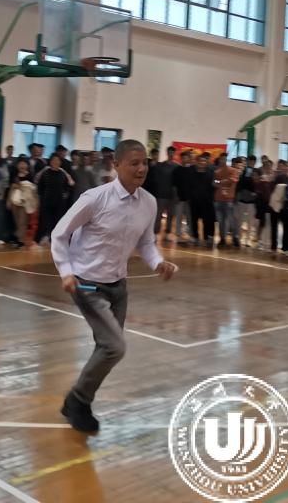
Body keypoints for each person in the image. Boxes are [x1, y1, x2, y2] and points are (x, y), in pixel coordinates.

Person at [51, 139, 178, 433]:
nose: (141, 168)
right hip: (86, 285)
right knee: (115, 347)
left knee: (106, 348)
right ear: (116, 165)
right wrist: (66, 272)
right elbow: (60, 233)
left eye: (145, 163)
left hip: (119, 286)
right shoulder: (95, 198)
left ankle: (79, 401)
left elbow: (146, 243)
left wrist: (158, 262)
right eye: (134, 163)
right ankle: (78, 401)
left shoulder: (148, 202)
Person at [36, 154, 74, 244]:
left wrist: (66, 194)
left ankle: (57, 238)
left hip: (60, 202)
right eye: (53, 160)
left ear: (60, 162)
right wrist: (42, 196)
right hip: (47, 201)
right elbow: (39, 186)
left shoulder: (63, 173)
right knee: (47, 220)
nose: (55, 162)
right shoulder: (45, 172)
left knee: (59, 220)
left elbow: (70, 185)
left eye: (57, 160)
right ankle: (48, 237)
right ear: (50, 161)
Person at [8, 158, 38, 247]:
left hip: (26, 202)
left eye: (24, 163)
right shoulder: (14, 175)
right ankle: (20, 238)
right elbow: (11, 188)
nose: (22, 165)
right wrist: (9, 201)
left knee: (23, 221)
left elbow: (34, 190)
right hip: (15, 201)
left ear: (27, 165)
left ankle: (20, 240)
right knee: (17, 220)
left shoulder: (30, 176)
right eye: (20, 163)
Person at [187, 152, 216, 248]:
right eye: (200, 161)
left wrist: (216, 184)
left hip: (206, 202)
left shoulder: (210, 173)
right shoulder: (191, 173)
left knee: (207, 221)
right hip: (194, 201)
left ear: (206, 162)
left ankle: (207, 238)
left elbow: (215, 185)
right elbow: (188, 186)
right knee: (194, 220)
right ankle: (195, 237)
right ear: (197, 162)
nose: (202, 163)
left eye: (204, 161)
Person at [213, 154, 239, 247]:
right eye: (221, 159)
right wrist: (221, 182)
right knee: (220, 221)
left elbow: (233, 180)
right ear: (219, 160)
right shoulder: (217, 172)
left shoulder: (233, 170)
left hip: (228, 199)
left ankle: (235, 238)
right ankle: (222, 238)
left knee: (231, 220)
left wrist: (222, 181)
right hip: (218, 199)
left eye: (224, 159)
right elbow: (214, 182)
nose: (222, 161)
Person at [171, 150, 195, 243]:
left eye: (187, 157)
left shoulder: (191, 170)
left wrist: (192, 197)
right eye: (183, 158)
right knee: (178, 217)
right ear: (181, 159)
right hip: (179, 198)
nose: (185, 159)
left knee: (190, 218)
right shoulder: (177, 170)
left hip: (189, 199)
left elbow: (193, 185)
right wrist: (175, 196)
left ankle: (190, 235)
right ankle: (178, 235)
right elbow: (174, 185)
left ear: (189, 159)